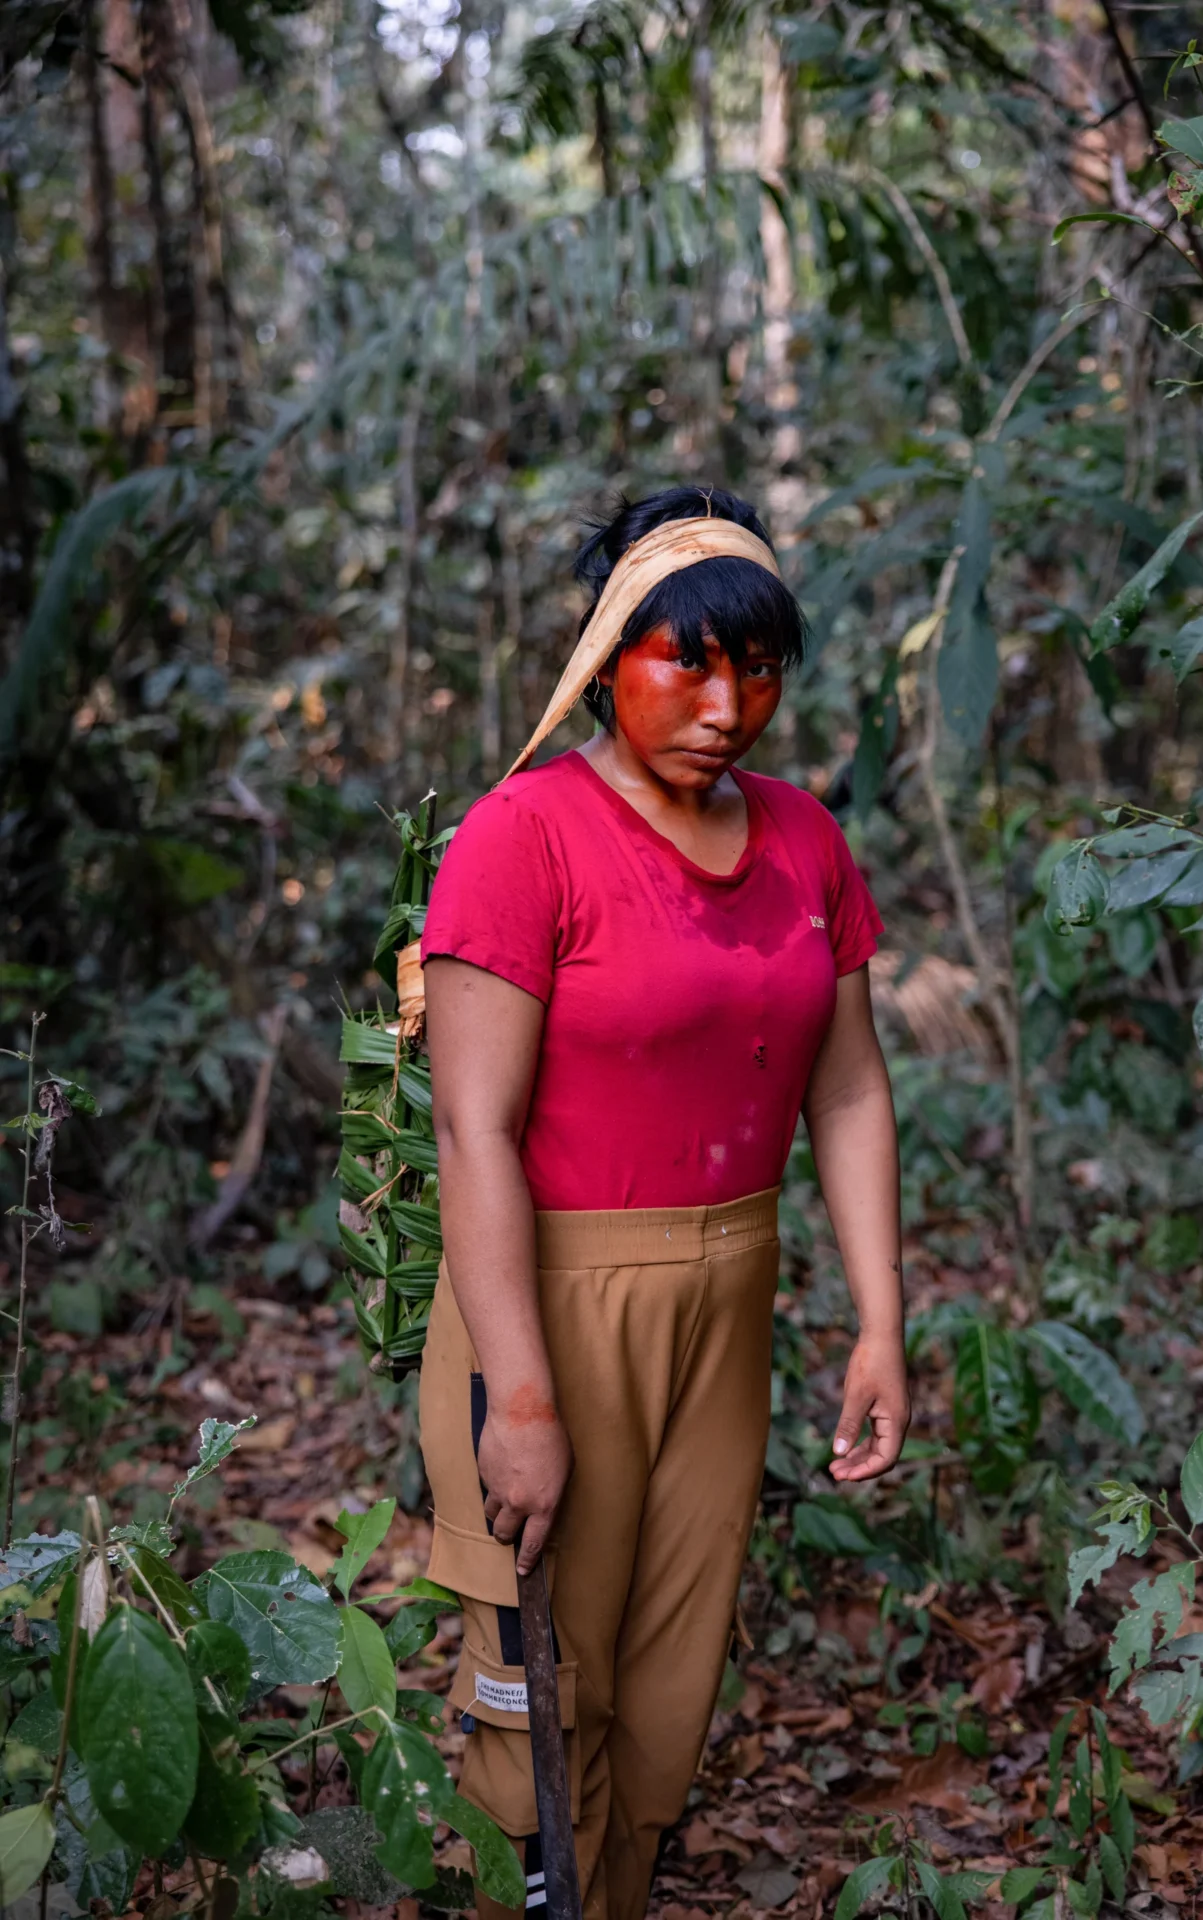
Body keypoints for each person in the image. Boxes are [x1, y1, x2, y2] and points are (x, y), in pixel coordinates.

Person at [418, 486, 908, 1920]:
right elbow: (473, 1127)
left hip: (727, 1296)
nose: (725, 702)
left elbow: (853, 1090)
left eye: (754, 668)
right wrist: (519, 1398)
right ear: (603, 659)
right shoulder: (526, 838)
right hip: (553, 1301)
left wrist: (880, 1322)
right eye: (684, 661)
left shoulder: (808, 843)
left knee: (669, 1680)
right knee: (539, 1685)